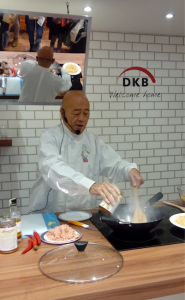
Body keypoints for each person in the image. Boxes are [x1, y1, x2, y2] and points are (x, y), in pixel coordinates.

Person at [29, 90, 144, 213]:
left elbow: (114, 164)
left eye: (86, 113)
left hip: (84, 213)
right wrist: (91, 185)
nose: (82, 119)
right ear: (62, 114)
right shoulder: (49, 137)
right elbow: (54, 169)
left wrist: (130, 170)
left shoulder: (93, 141)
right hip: (51, 214)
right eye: (76, 113)